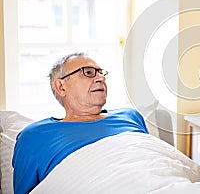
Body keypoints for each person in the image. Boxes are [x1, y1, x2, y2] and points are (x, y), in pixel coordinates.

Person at [12, 52, 149, 194]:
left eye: (101, 73)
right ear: (61, 87)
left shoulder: (130, 116)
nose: (101, 78)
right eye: (88, 72)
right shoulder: (34, 136)